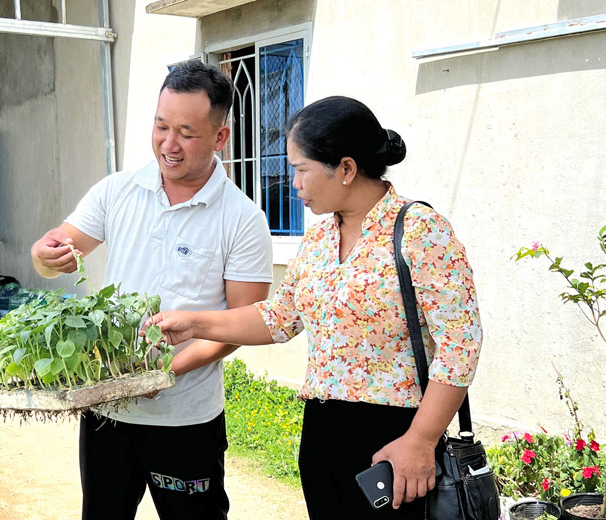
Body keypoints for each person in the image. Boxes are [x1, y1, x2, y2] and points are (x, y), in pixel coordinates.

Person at [146, 96, 483, 519]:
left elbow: (461, 344)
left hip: (395, 439)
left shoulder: (419, 231)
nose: (293, 184)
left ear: (345, 169)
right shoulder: (320, 238)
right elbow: (280, 318)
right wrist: (193, 323)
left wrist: (421, 439)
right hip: (322, 434)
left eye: (301, 170)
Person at [30, 60, 273, 520]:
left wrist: (164, 373)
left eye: (186, 132)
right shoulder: (117, 191)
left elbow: (243, 324)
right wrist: (43, 255)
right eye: (161, 126)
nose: (169, 143)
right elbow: (54, 250)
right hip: (106, 410)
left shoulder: (242, 219)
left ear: (220, 137)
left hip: (185, 418)